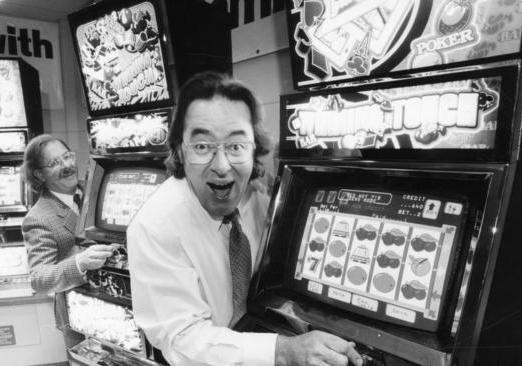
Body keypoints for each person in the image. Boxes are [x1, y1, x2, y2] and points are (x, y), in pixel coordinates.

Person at [128, 72, 363, 366]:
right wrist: (284, 351)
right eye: (203, 146)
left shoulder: (260, 197)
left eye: (236, 146)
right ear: (179, 149)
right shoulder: (157, 226)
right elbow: (183, 340)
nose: (222, 166)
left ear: (255, 149)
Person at [20, 134, 115, 347]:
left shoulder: (99, 188)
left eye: (67, 157)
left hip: (121, 301)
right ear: (39, 174)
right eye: (54, 163)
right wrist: (80, 262)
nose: (67, 166)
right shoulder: (38, 217)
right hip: (81, 314)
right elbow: (39, 279)